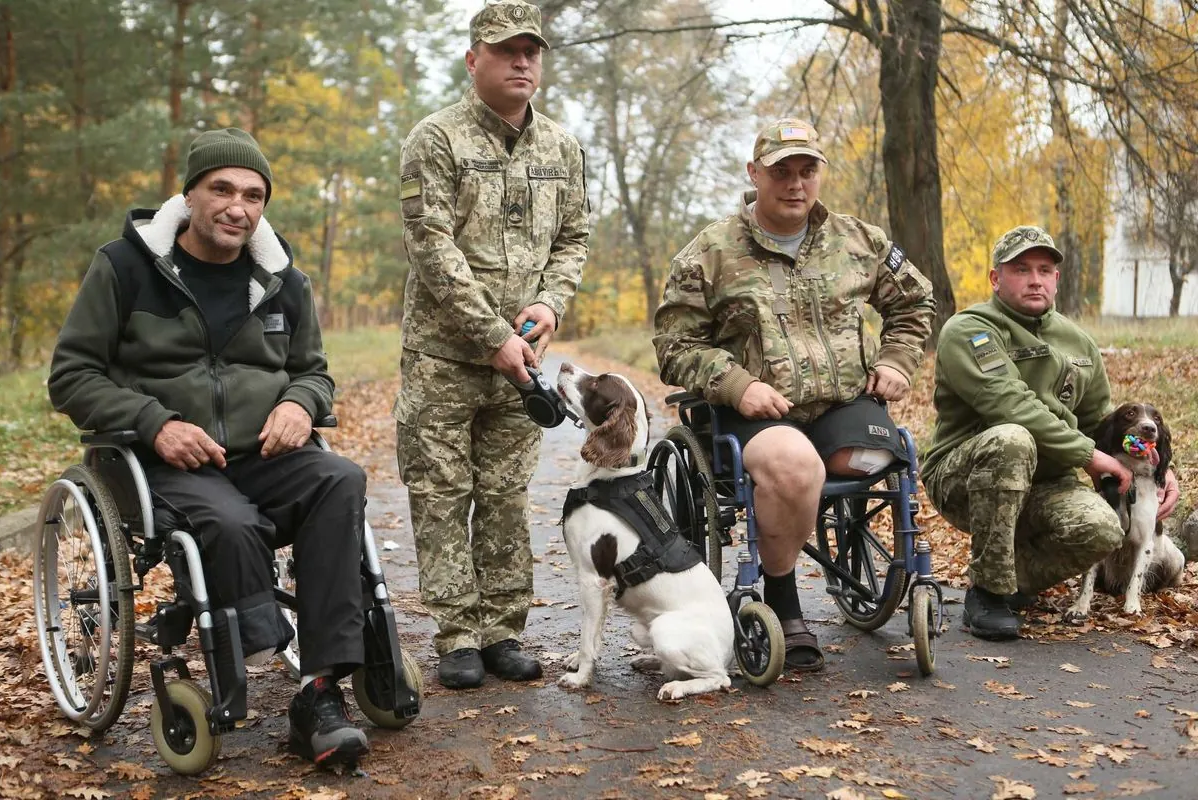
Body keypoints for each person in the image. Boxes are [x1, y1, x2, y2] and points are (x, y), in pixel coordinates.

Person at [48, 128, 372, 766]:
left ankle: (318, 688)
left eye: (253, 195)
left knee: (342, 479)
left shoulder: (284, 279)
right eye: (220, 189)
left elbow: (314, 370)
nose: (238, 207)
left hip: (264, 456)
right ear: (189, 196)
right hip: (161, 461)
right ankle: (256, 642)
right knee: (227, 521)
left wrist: (298, 404)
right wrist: (153, 421)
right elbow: (71, 375)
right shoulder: (123, 267)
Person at [653, 119, 935, 671]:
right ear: (754, 173)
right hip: (753, 413)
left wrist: (897, 361)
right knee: (796, 468)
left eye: (808, 170)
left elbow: (914, 304)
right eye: (781, 171)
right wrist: (738, 384)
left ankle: (856, 564)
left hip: (843, 402)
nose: (795, 183)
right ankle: (783, 603)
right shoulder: (709, 252)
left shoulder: (861, 241)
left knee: (876, 459)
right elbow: (674, 344)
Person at [395, 0, 588, 689]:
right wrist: (492, 335)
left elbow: (573, 238)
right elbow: (431, 248)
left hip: (524, 364)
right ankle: (455, 635)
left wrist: (549, 303)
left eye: (531, 51)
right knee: (443, 493)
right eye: (507, 50)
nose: (522, 62)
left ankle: (504, 630)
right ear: (473, 59)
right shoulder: (436, 140)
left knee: (505, 495)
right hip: (445, 360)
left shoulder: (562, 147)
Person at [923, 225, 1181, 640]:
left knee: (1104, 529)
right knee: (1012, 437)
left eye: (1045, 270)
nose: (1035, 279)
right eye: (1021, 269)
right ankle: (988, 593)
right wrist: (1089, 457)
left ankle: (1015, 579)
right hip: (966, 478)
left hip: (1048, 483)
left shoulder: (1077, 343)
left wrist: (1158, 465)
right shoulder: (968, 330)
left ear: (1056, 279)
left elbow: (1105, 425)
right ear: (995, 278)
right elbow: (1012, 405)